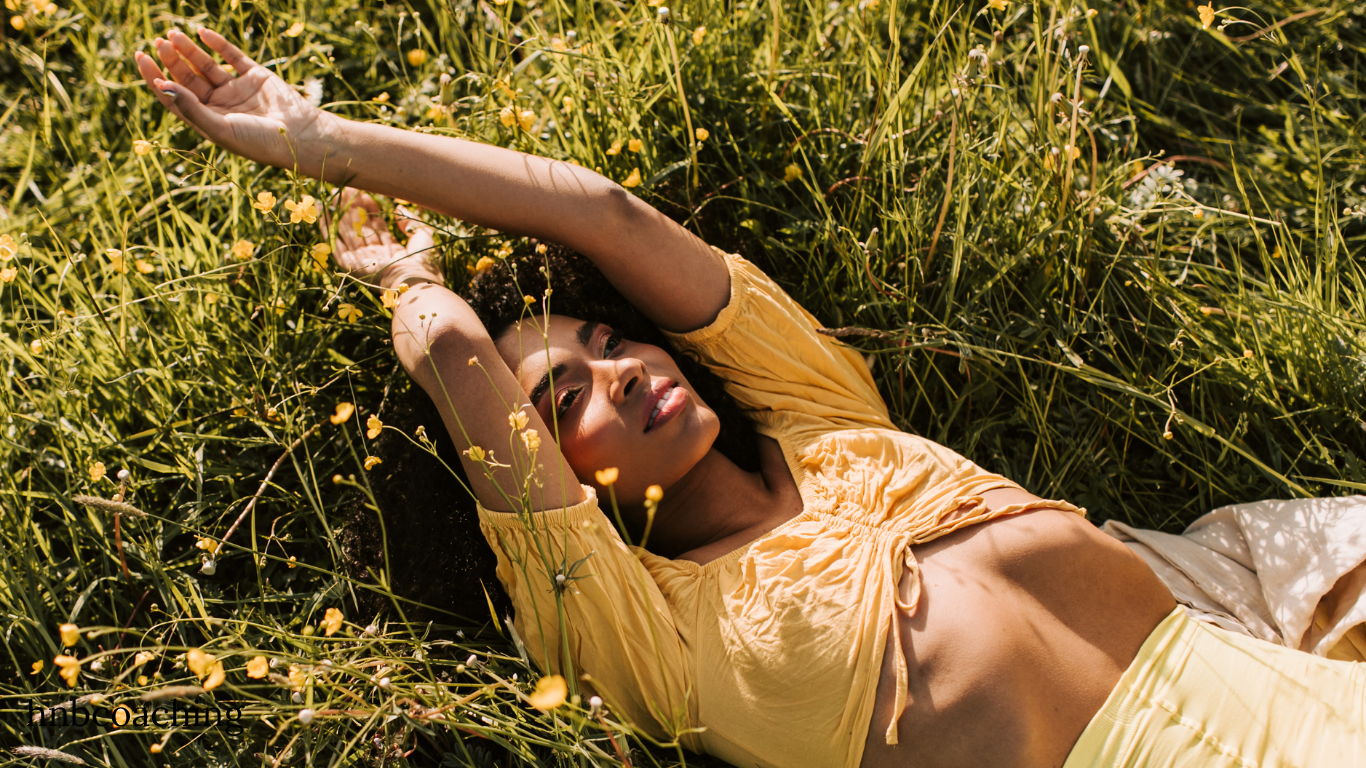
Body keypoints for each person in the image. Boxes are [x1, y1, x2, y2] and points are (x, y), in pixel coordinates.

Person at [134, 28, 1365, 768]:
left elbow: (600, 214)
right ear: (561, 484)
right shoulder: (643, 632)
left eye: (613, 341)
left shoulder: (826, 423)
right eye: (570, 399)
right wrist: (403, 269)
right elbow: (455, 352)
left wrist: (333, 133)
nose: (627, 371)